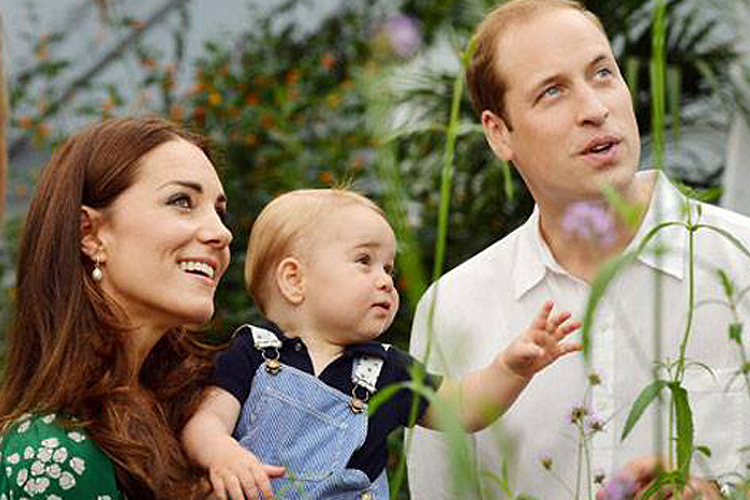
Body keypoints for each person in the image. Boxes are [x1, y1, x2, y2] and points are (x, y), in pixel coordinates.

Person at [406, 0, 750, 498]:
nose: (594, 109)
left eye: (603, 73)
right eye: (552, 91)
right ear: (499, 133)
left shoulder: (741, 262)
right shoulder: (454, 308)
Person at [181, 188, 582, 500]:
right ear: (294, 280)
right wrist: (222, 454)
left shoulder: (386, 369)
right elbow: (205, 422)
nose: (385, 280)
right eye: (364, 261)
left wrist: (511, 369)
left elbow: (464, 408)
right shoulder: (254, 351)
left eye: (389, 267)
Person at [0, 116, 233, 498]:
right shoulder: (55, 452)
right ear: (89, 234)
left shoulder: (203, 422)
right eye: (182, 201)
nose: (221, 232)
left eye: (219, 212)